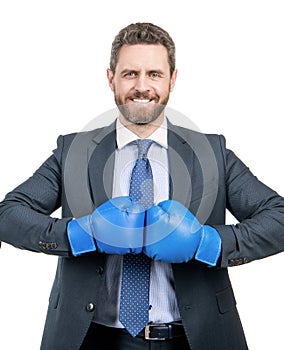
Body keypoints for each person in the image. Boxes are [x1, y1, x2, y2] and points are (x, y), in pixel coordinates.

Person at [1, 22, 284, 350]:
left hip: (195, 339)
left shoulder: (212, 153)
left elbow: (278, 219)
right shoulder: (74, 152)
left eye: (154, 74)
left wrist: (205, 243)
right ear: (111, 79)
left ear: (172, 79)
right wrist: (82, 234)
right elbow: (8, 215)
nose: (142, 86)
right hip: (91, 340)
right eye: (130, 74)